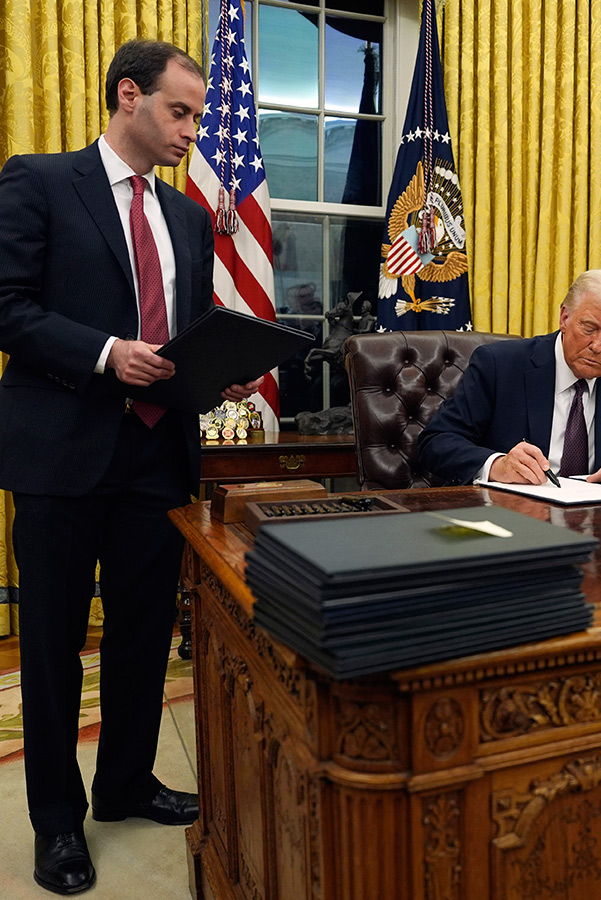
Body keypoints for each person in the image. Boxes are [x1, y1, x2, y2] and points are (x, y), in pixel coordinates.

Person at [0, 40, 263, 894]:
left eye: (196, 114)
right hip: (61, 454)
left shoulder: (188, 216)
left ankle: (123, 784)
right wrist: (107, 353)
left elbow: (180, 331)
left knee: (146, 640)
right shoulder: (39, 180)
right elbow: (7, 307)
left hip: (158, 455)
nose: (193, 128)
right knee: (51, 649)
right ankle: (56, 824)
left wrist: (220, 362)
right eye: (180, 112)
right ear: (128, 97)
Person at [417, 268, 601, 488]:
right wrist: (498, 465)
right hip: (513, 519)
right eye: (589, 328)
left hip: (600, 521)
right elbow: (437, 441)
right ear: (564, 318)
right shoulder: (500, 365)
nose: (597, 345)